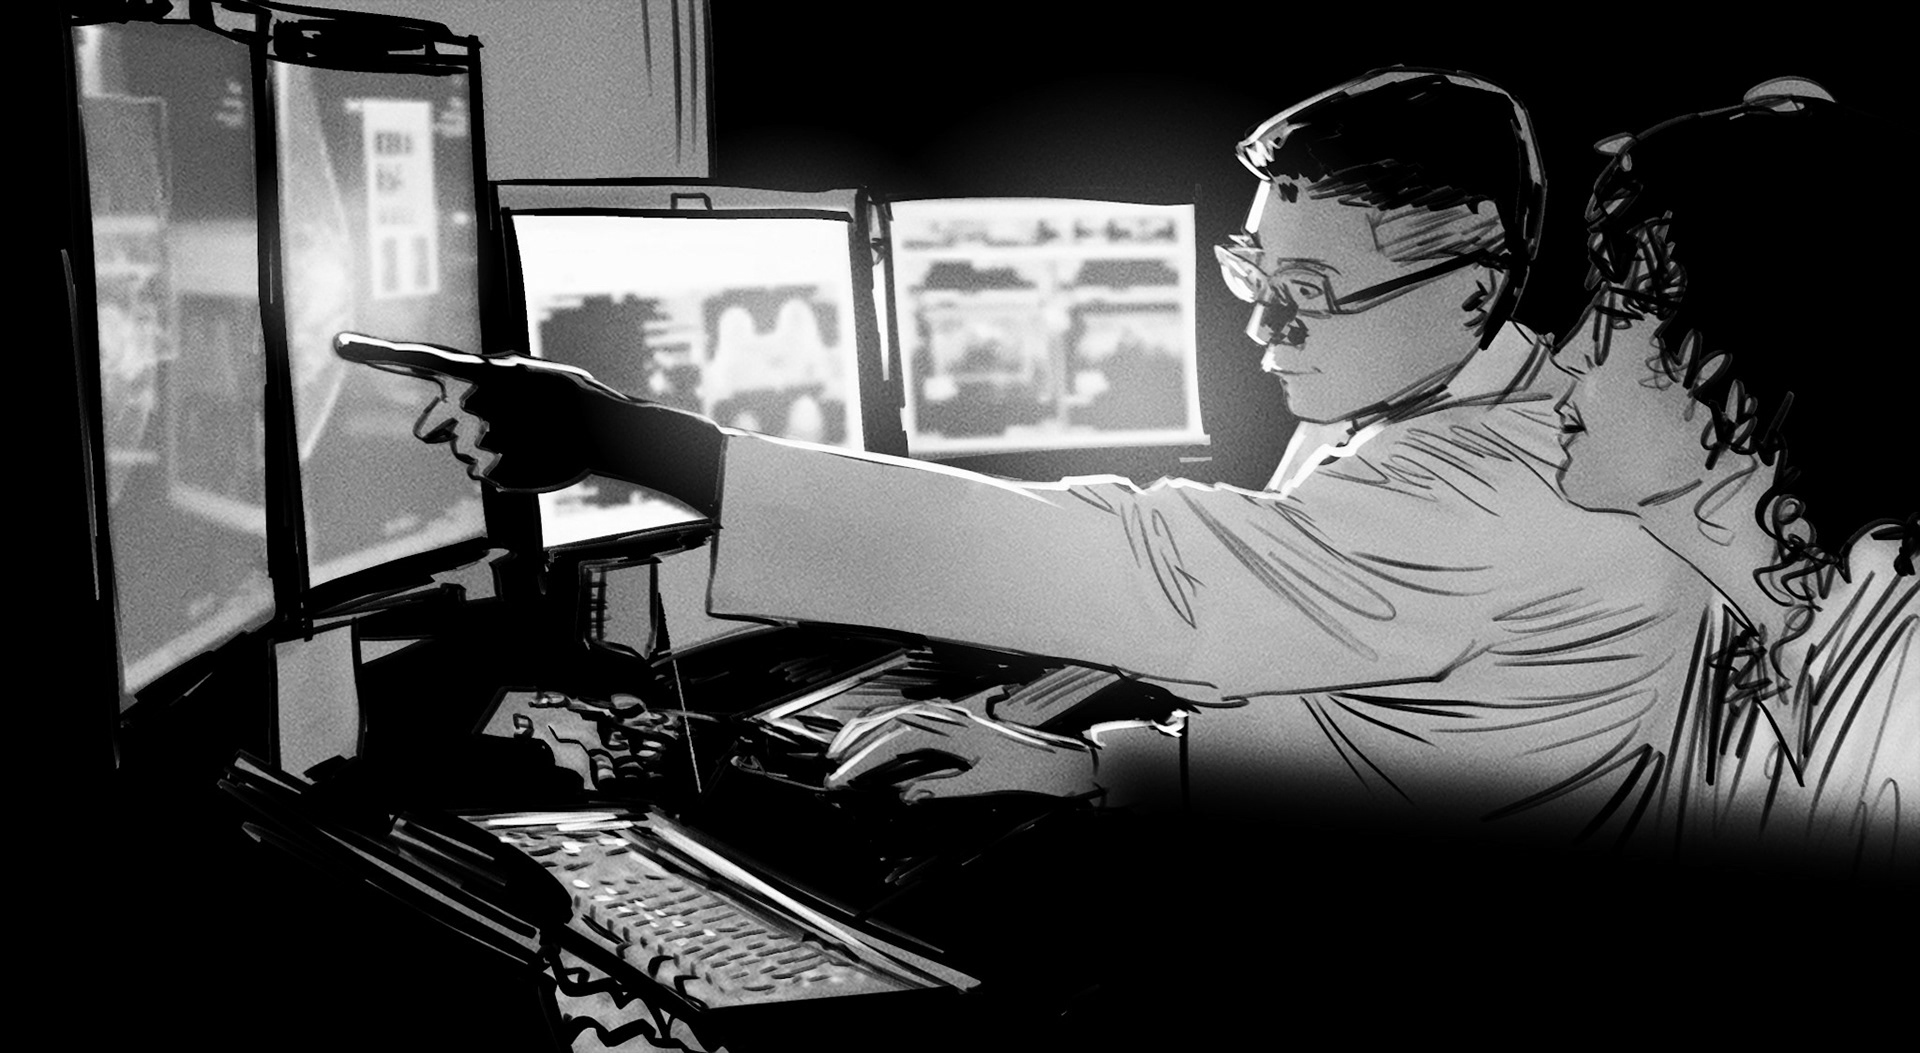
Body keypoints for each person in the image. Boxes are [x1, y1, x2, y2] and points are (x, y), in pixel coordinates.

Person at [337, 68, 1725, 859]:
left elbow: (1144, 563)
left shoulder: (1502, 483)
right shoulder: (1425, 393)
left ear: (1474, 278)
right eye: (1255, 272)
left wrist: (632, 441)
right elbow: (1370, 737)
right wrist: (1079, 769)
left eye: (1308, 291)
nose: (1262, 325)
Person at [1549, 79, 1917, 878]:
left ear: (1743, 357)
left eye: (1618, 308)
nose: (1567, 353)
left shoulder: (1907, 665)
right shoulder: (1743, 639)